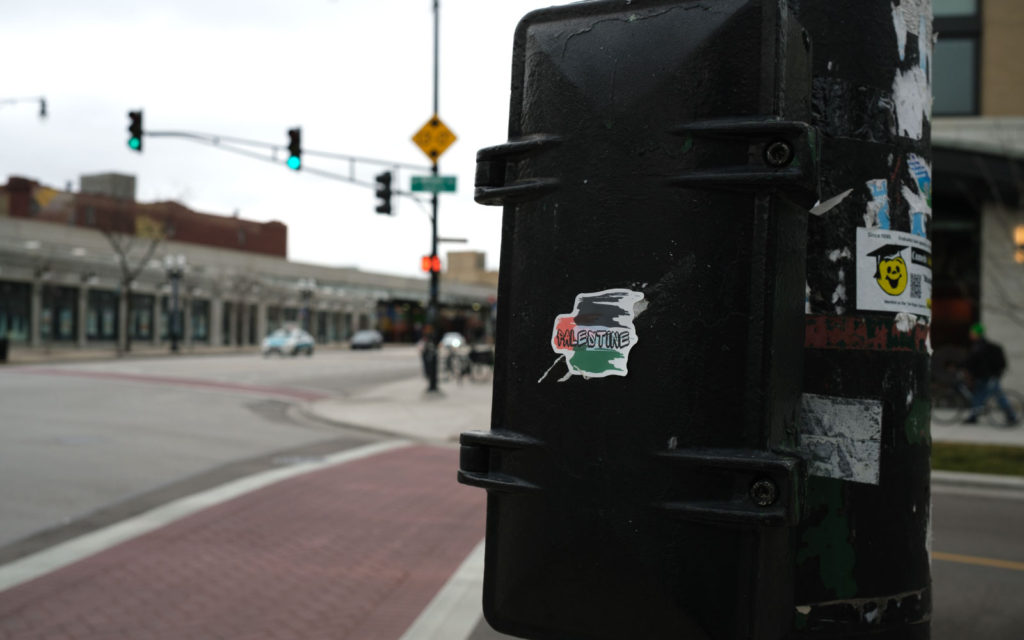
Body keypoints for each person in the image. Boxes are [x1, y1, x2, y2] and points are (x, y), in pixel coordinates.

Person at [962, 323, 1018, 426]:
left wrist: (963, 367)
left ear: (977, 334)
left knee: (996, 396)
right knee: (980, 396)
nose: (970, 335)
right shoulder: (981, 346)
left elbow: (973, 361)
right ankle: (974, 416)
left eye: (972, 333)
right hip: (986, 376)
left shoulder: (981, 347)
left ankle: (1012, 417)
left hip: (988, 377)